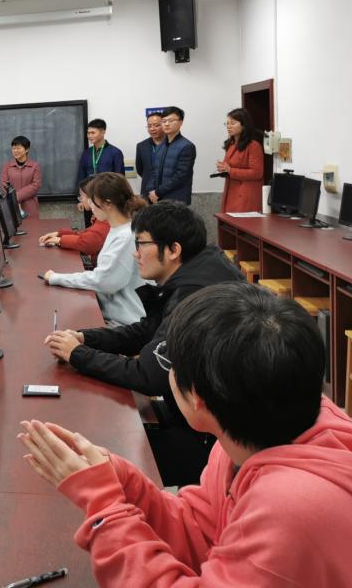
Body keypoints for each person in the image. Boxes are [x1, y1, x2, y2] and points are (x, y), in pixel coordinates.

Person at [19, 282, 352, 588]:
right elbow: (199, 531)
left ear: (197, 399)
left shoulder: (290, 506)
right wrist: (123, 482)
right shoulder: (250, 433)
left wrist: (104, 508)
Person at [44, 201, 243, 485]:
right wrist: (87, 338)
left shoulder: (195, 296)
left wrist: (79, 355)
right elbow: (148, 331)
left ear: (173, 250)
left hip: (214, 442)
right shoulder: (195, 274)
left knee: (95, 455)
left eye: (141, 244)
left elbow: (148, 376)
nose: (135, 253)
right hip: (197, 415)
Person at [42, 173, 146, 325]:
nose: (90, 205)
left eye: (92, 200)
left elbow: (103, 281)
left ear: (108, 204)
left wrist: (57, 278)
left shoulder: (125, 236)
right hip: (112, 313)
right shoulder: (117, 228)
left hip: (123, 323)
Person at [38, 176, 109, 263]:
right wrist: (59, 234)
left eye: (82, 196)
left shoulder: (105, 220)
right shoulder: (100, 218)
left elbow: (87, 243)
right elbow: (85, 234)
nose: (81, 200)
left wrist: (60, 240)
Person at [218, 107, 264, 213]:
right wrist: (223, 169)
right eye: (227, 124)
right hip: (231, 190)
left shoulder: (253, 146)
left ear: (244, 125)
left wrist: (230, 170)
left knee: (241, 221)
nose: (229, 126)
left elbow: (257, 173)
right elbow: (228, 167)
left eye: (232, 123)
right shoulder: (231, 144)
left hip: (245, 193)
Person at [150, 107, 196, 205]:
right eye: (164, 121)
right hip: (158, 197)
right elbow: (154, 171)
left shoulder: (187, 146)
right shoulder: (160, 146)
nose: (166, 124)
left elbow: (181, 176)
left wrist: (158, 192)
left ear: (181, 122)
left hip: (177, 199)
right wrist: (151, 190)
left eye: (171, 121)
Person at [0, 135, 42, 219]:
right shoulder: (7, 166)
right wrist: (13, 199)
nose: (15, 151)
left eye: (18, 148)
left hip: (30, 206)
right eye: (13, 148)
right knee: (13, 226)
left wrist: (16, 197)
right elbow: (4, 184)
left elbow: (36, 185)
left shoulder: (35, 166)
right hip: (12, 207)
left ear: (27, 149)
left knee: (32, 226)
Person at [135, 112, 165, 199]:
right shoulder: (141, 146)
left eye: (156, 125)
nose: (152, 129)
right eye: (149, 126)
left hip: (168, 191)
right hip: (147, 192)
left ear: (164, 125)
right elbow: (140, 169)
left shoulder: (172, 144)